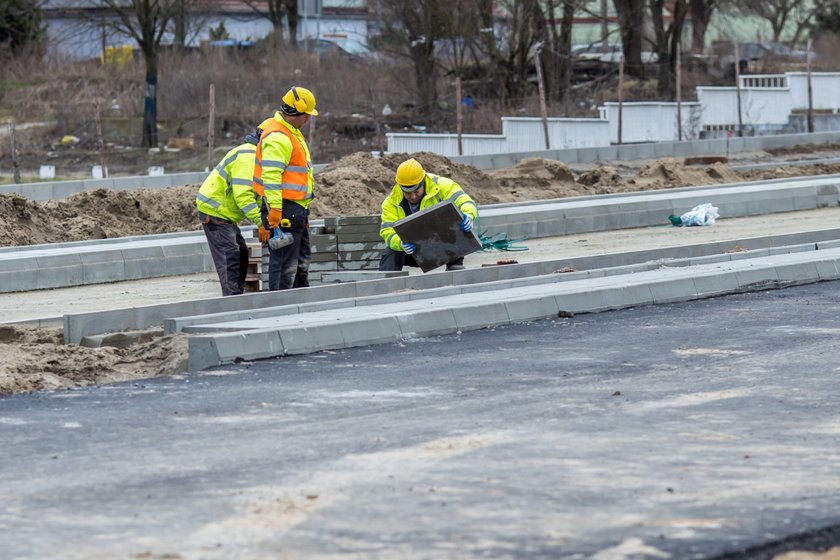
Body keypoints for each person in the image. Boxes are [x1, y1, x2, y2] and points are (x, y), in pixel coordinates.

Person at [252, 86, 318, 290]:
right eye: (306, 115)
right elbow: (271, 176)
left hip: (296, 209)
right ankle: (280, 306)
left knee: (300, 264)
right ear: (296, 113)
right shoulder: (279, 137)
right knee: (284, 266)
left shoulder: (291, 133)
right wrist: (275, 209)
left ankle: (299, 304)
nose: (307, 119)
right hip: (284, 209)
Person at [196, 126, 270, 296]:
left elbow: (259, 193)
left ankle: (236, 295)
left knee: (241, 253)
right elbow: (243, 195)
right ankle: (232, 300)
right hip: (215, 210)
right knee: (230, 255)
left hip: (225, 213)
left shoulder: (258, 157)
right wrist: (261, 222)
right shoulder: (248, 157)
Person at [379, 158, 478, 272]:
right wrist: (400, 243)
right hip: (415, 250)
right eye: (408, 193)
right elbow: (387, 232)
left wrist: (468, 214)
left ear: (423, 181)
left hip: (444, 244)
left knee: (454, 221)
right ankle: (387, 282)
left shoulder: (442, 185)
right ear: (401, 187)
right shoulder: (391, 202)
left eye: (416, 191)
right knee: (390, 252)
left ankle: (455, 268)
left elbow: (463, 200)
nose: (413, 196)